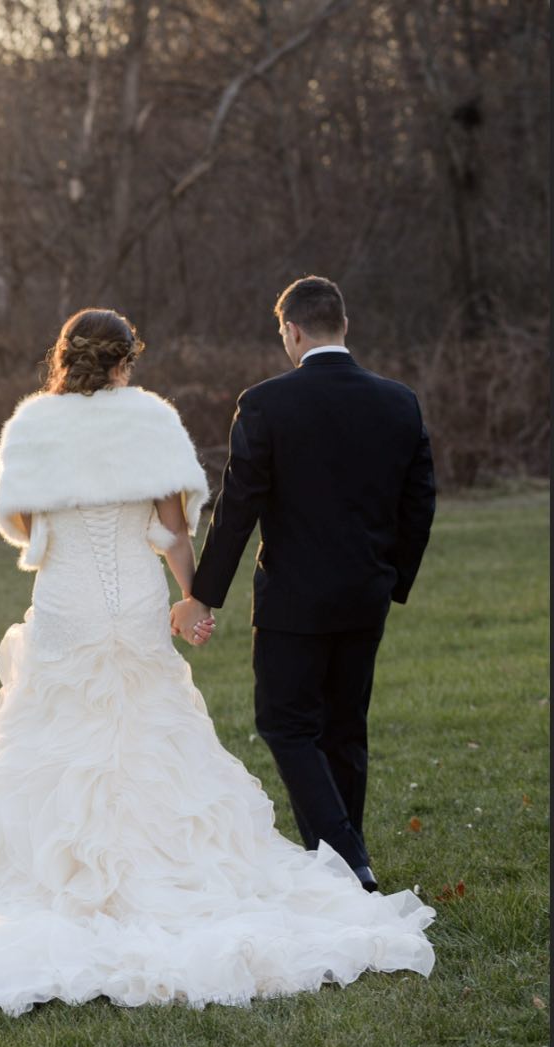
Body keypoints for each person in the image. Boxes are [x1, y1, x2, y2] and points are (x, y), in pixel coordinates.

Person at [0, 307, 434, 1018]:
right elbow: (176, 531)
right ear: (126, 360)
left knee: (59, 736)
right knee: (148, 732)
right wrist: (192, 597)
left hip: (65, 604)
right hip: (133, 604)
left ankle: (62, 878)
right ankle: (183, 874)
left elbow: (21, 525)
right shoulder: (149, 419)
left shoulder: (30, 425)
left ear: (62, 357)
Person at [172, 275, 437, 894]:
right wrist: (393, 577)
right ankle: (342, 864)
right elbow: (419, 500)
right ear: (343, 325)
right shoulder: (399, 401)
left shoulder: (266, 404)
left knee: (286, 723)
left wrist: (201, 595)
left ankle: (347, 860)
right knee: (345, 727)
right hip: (366, 593)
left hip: (293, 597)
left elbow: (238, 508)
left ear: (291, 331)